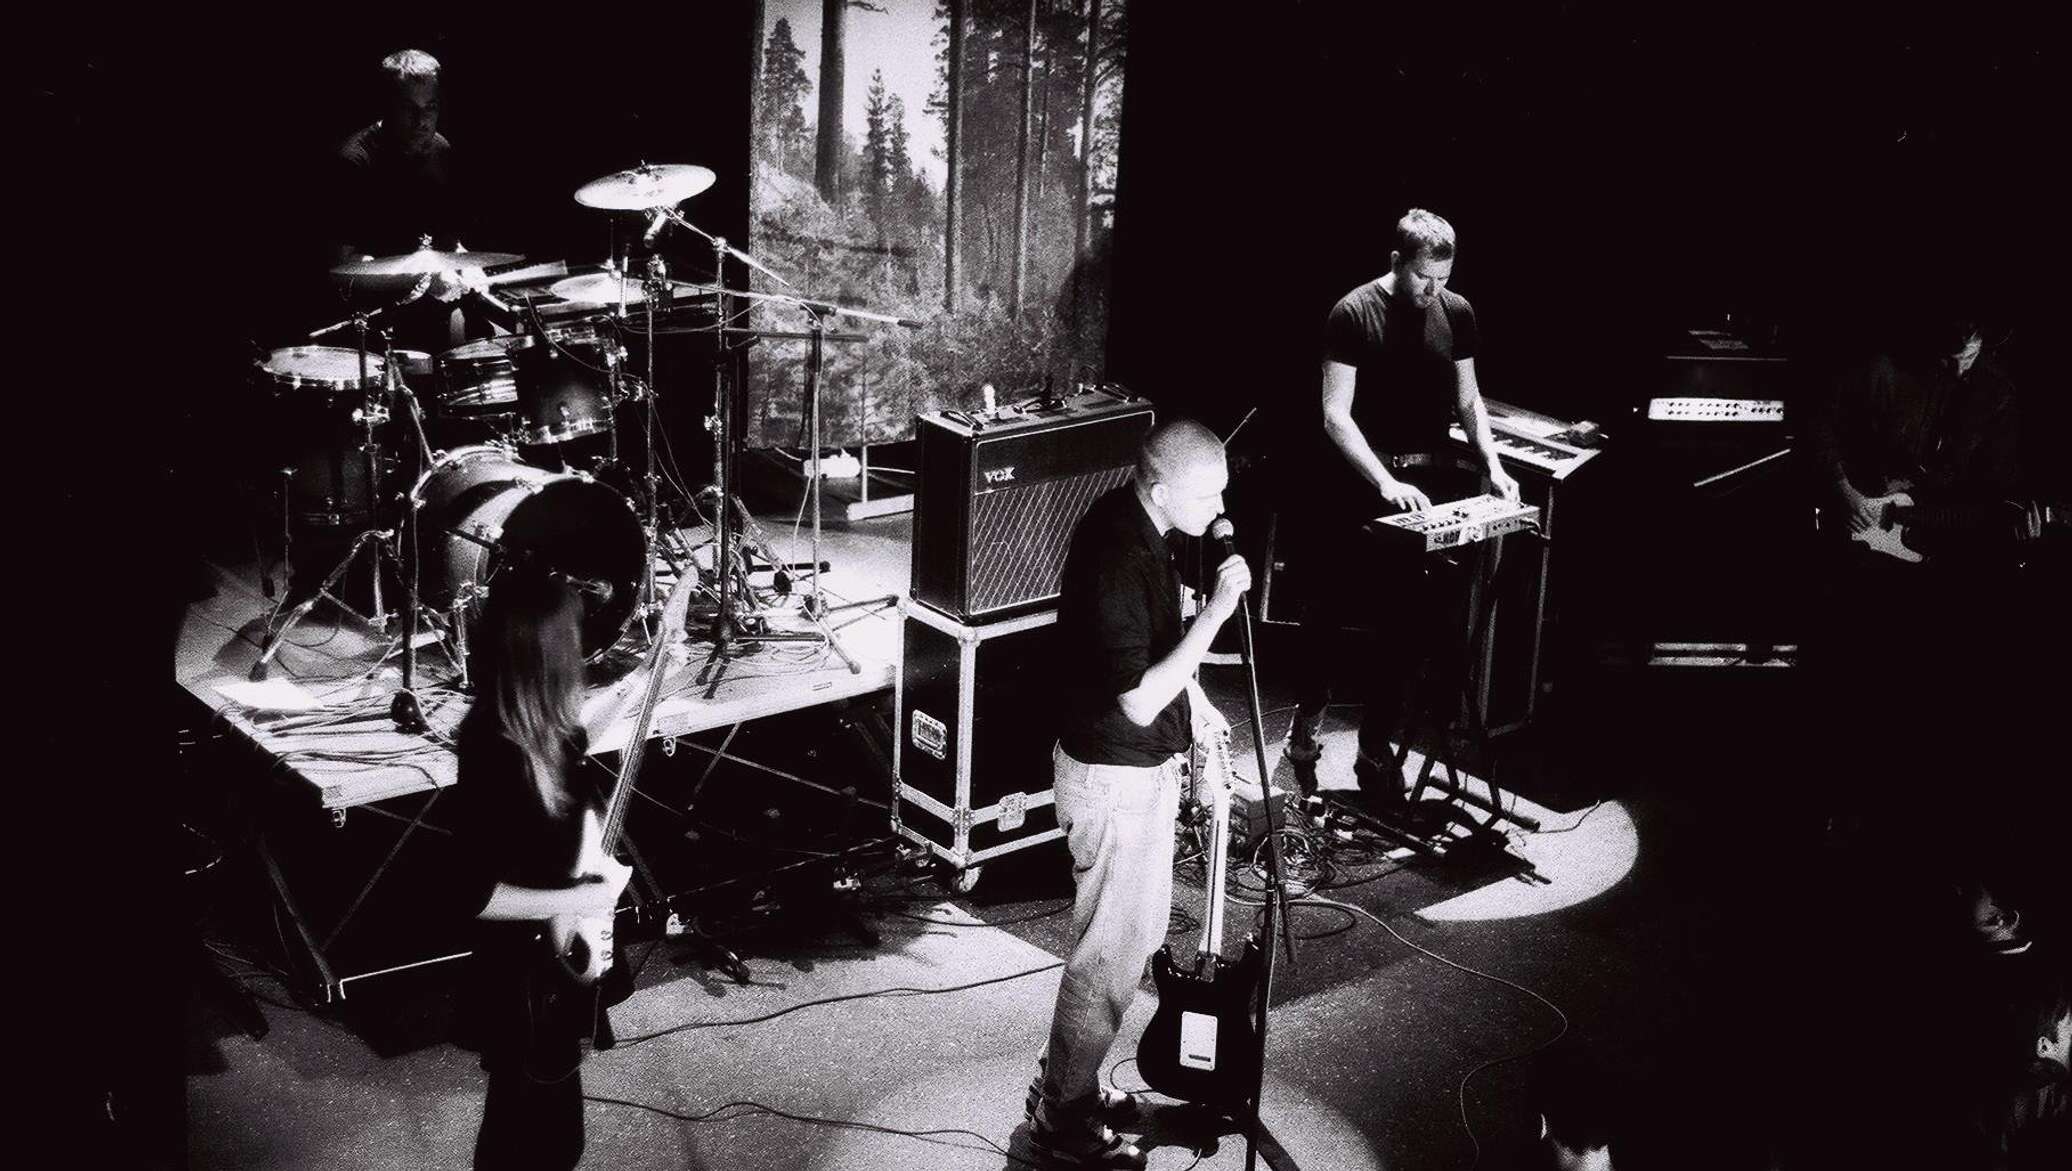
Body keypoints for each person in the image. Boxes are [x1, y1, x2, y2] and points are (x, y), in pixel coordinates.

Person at [1025, 419, 1252, 1169]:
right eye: (1209, 495)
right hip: (1114, 782)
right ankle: (1062, 1120)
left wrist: (1202, 704)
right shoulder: (1118, 555)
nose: (1222, 510)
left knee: (1126, 944)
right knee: (1109, 961)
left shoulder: (1145, 529)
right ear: (1159, 488)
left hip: (1132, 773)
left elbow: (1156, 652)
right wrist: (1217, 612)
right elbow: (1139, 698)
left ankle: (1068, 1084)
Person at [1285, 208, 1519, 807]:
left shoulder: (1457, 312)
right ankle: (1305, 728)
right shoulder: (1352, 312)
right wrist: (1384, 481)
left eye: (1443, 278)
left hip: (1425, 482)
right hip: (1355, 483)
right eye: (1422, 277)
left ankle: (1374, 748)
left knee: (1405, 626)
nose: (1432, 290)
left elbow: (1470, 402)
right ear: (1396, 261)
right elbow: (1335, 414)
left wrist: (1492, 466)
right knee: (1327, 617)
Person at [444, 568, 651, 1170]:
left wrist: (640, 684)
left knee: (544, 1122)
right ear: (554, 657)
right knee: (531, 1132)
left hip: (553, 956)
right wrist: (578, 901)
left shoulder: (532, 724)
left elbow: (574, 741)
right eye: (575, 640)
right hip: (523, 969)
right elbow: (472, 893)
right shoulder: (493, 751)